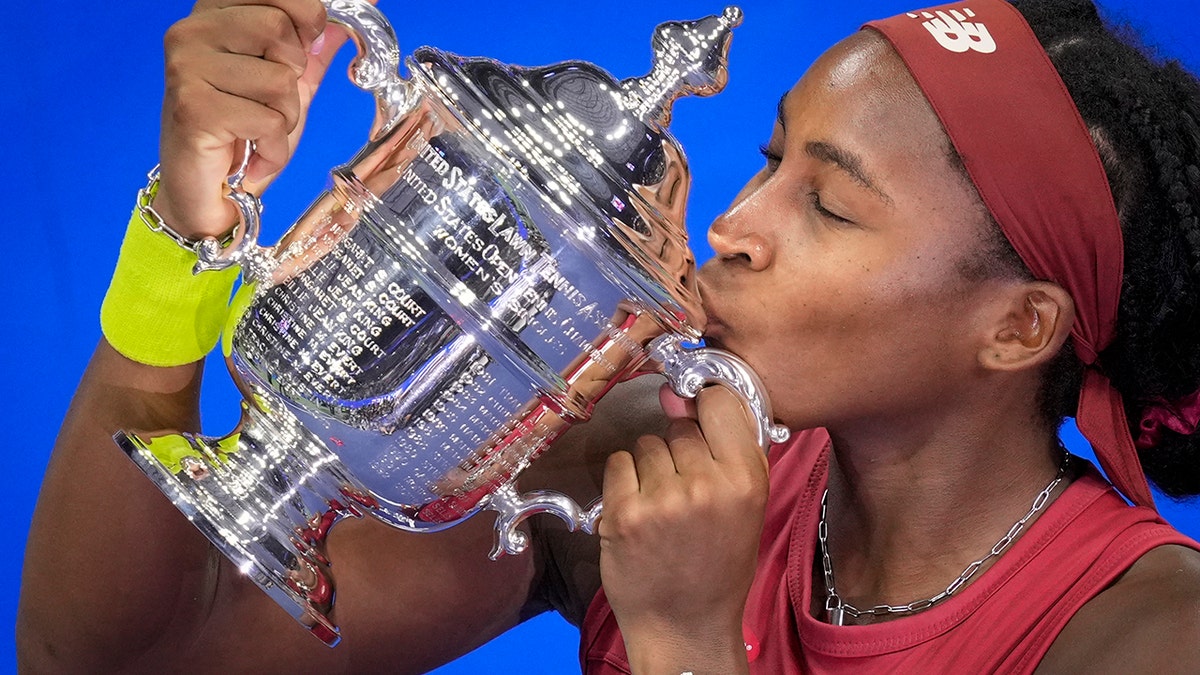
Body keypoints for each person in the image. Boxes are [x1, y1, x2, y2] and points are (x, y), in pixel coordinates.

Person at [16, 0, 1200, 672]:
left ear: (1018, 326)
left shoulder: (1149, 633)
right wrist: (185, 242)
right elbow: (120, 665)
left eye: (830, 204)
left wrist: (686, 637)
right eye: (769, 159)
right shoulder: (632, 453)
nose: (733, 227)